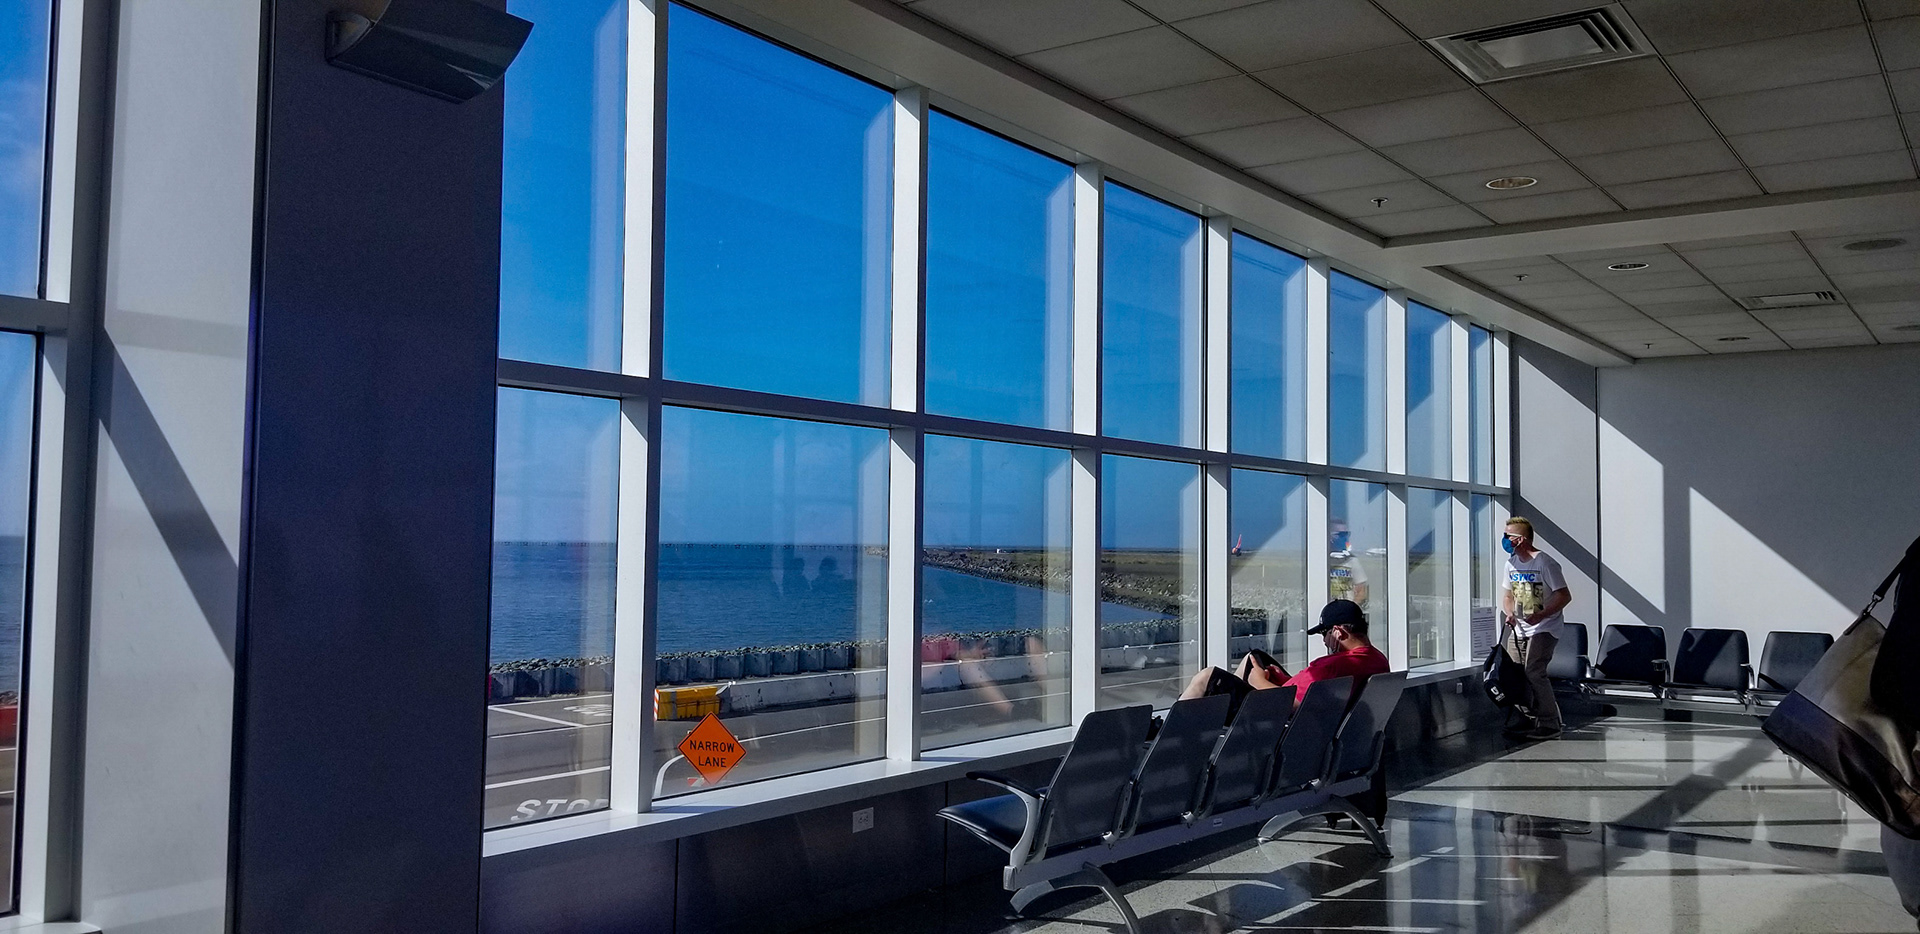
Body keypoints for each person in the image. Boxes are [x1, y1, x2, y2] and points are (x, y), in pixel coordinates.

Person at [1178, 599, 1389, 708]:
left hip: (1277, 719)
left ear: (1338, 632)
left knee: (1207, 677)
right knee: (1255, 656)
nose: (1324, 640)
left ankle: (1170, 730)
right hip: (1316, 721)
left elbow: (1294, 706)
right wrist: (1287, 680)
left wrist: (1260, 682)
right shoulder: (1377, 661)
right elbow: (1312, 695)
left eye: (1324, 633)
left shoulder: (1331, 667)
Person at [1501, 516, 1572, 740]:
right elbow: (1508, 595)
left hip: (1544, 627)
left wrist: (1542, 615)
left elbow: (1563, 595)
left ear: (1521, 539)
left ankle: (1550, 722)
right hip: (1520, 627)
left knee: (1534, 670)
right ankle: (1527, 717)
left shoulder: (1544, 562)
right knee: (1516, 672)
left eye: (1508, 536)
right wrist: (1510, 613)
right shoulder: (1510, 564)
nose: (1505, 540)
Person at [1329, 523, 1370, 612]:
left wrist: (1351, 608)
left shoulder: (1351, 561)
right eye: (1340, 535)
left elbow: (1361, 589)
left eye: (1347, 534)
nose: (1344, 538)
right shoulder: (1322, 562)